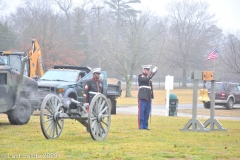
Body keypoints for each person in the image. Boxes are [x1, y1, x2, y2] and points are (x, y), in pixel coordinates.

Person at [83, 68, 103, 132]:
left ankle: (97, 127)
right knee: (91, 115)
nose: (99, 75)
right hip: (91, 100)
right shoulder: (89, 82)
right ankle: (89, 128)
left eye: (99, 74)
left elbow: (101, 92)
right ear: (94, 74)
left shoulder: (101, 82)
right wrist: (86, 102)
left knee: (97, 115)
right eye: (97, 74)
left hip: (98, 101)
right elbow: (85, 92)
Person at [138, 65, 157, 130]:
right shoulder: (141, 76)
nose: (148, 71)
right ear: (144, 70)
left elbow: (150, 89)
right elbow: (145, 79)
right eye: (147, 70)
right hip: (143, 96)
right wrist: (150, 74)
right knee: (142, 112)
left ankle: (145, 125)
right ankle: (141, 125)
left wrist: (154, 71)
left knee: (147, 112)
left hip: (148, 97)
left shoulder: (149, 78)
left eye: (149, 70)